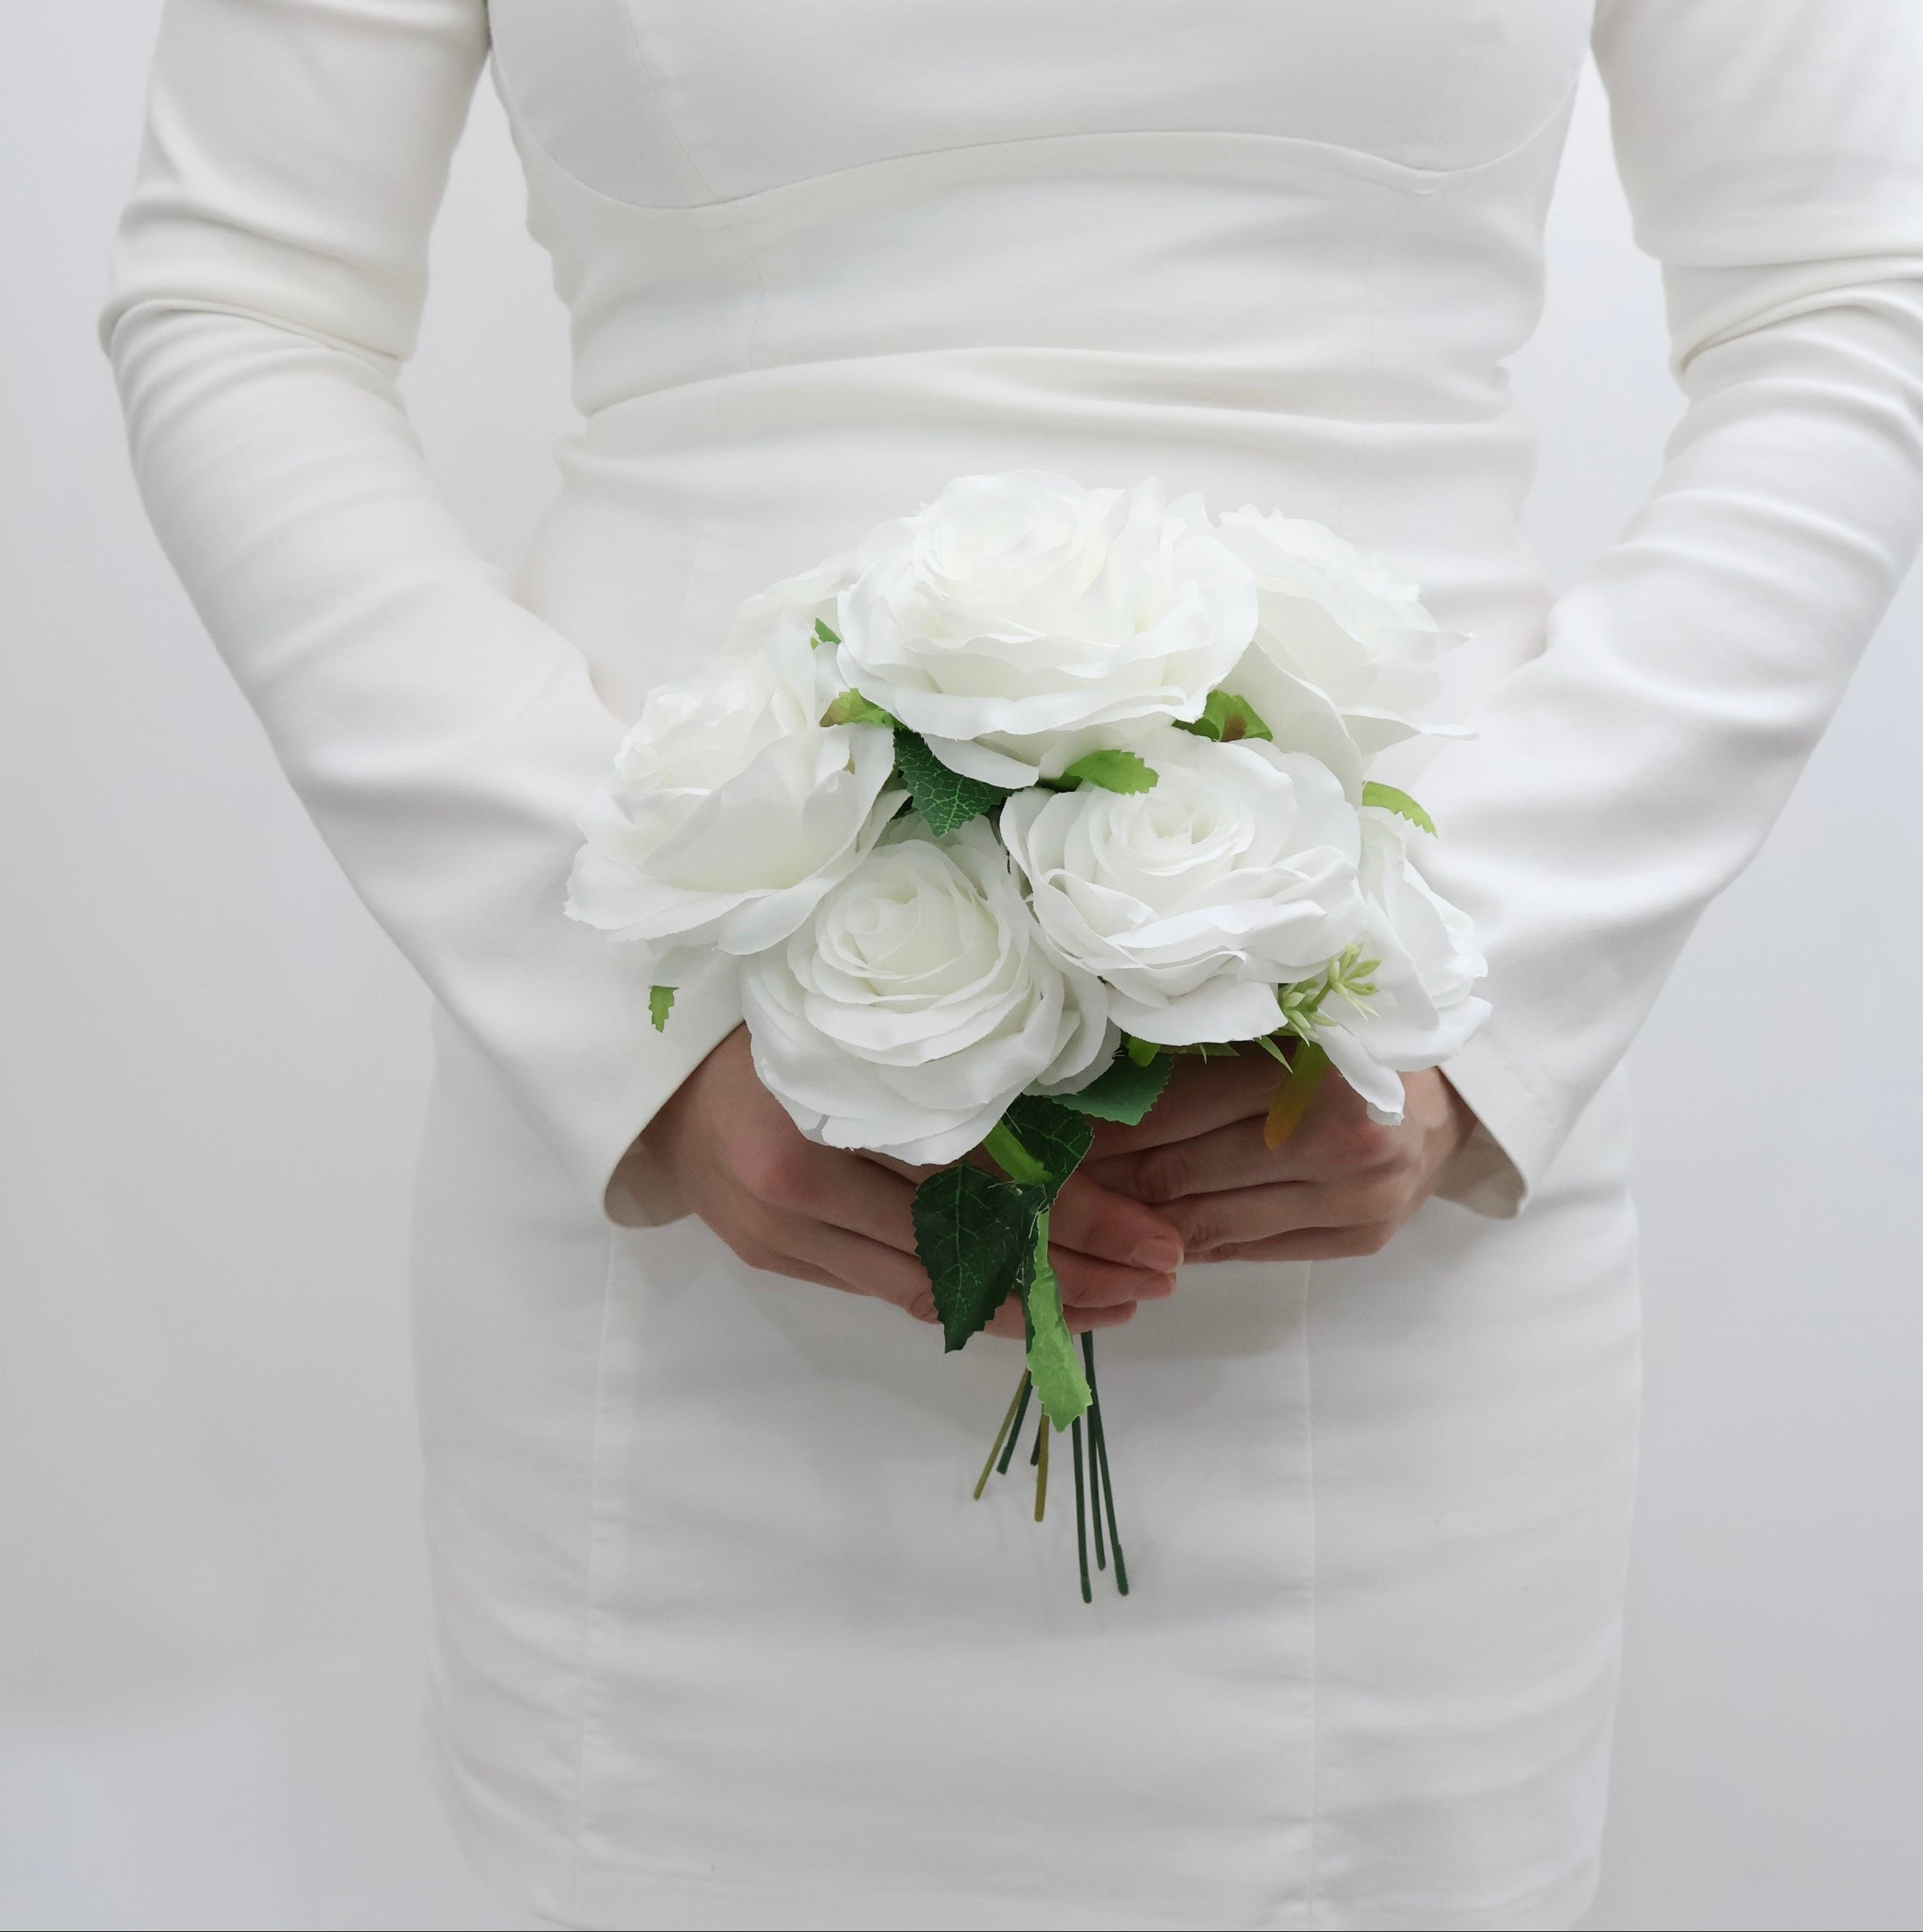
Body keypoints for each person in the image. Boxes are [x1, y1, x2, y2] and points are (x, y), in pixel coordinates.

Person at [104, 4, 1923, 1926]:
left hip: (1374, 1202)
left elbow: (1851, 289)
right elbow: (240, 298)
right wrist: (616, 1029)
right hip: (688, 1148)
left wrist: (1489, 993)